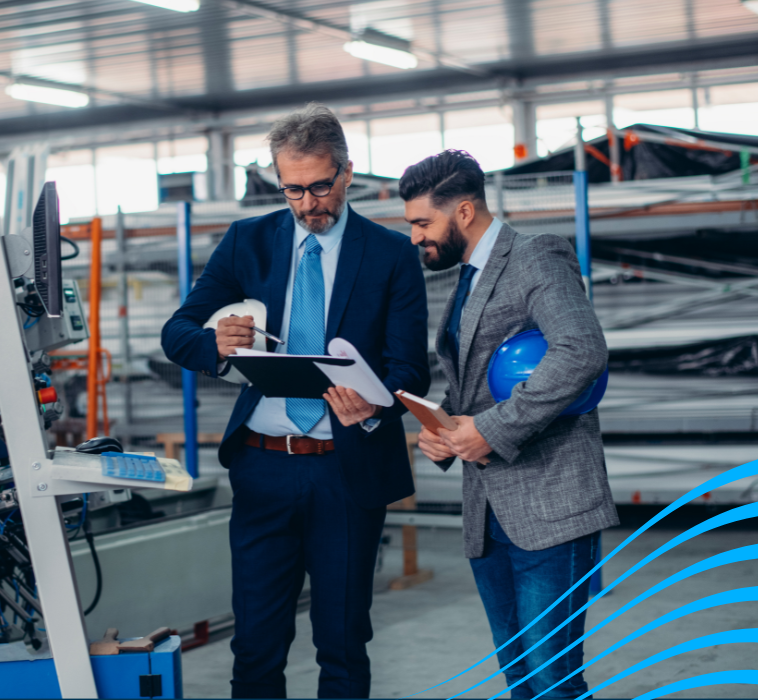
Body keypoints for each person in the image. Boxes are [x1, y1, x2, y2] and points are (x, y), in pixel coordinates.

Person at [161, 103, 430, 699]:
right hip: (263, 467)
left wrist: (378, 405)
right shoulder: (247, 242)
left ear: (347, 173)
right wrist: (215, 341)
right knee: (255, 646)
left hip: (347, 469)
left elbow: (411, 369)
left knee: (341, 643)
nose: (309, 203)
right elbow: (176, 333)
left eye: (319, 186)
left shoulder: (390, 254)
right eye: (292, 190)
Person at [401, 149, 618, 699]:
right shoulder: (468, 278)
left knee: (553, 679)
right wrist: (444, 428)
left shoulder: (536, 256)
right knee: (521, 676)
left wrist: (492, 430)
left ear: (465, 212)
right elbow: (474, 383)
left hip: (550, 504)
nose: (415, 237)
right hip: (489, 511)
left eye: (423, 223)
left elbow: (580, 350)